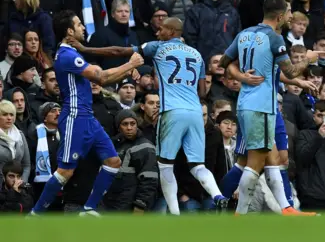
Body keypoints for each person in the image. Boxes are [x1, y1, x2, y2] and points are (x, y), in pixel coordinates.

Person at [68, 17, 228, 215]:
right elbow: (203, 92)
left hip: (172, 110)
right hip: (195, 111)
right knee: (198, 165)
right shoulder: (197, 54)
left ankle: (175, 213)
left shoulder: (158, 47)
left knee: (164, 164)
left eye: (161, 29)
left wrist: (85, 49)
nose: (157, 32)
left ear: (171, 32)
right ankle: (218, 196)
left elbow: (118, 51)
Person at [30, 10, 144, 216]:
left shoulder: (73, 54)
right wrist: (130, 64)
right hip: (75, 117)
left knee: (113, 162)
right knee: (65, 171)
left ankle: (89, 208)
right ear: (69, 31)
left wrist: (127, 70)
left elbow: (101, 74)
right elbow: (100, 78)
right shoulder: (66, 55)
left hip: (87, 117)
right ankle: (35, 215)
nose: (83, 27)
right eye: (79, 24)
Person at [219, 0, 312, 215]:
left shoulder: (244, 34)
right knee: (254, 162)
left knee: (272, 159)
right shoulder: (274, 38)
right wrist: (308, 58)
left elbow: (224, 62)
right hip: (261, 106)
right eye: (289, 13)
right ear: (279, 16)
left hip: (246, 103)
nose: (290, 16)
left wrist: (241, 77)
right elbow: (290, 69)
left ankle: (287, 209)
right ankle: (239, 214)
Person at [0, 100, 30, 182]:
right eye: (5, 114)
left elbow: (26, 165)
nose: (9, 118)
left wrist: (21, 182)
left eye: (12, 114)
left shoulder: (20, 135)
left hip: (18, 187)